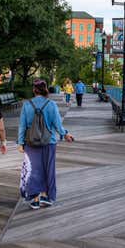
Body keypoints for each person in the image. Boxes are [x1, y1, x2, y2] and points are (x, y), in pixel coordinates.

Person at [18, 79, 74, 209]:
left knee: (34, 170)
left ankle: (35, 198)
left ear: (34, 90)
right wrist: (65, 134)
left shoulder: (27, 105)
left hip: (31, 142)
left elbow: (22, 126)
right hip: (49, 142)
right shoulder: (51, 104)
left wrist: (20, 143)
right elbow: (57, 124)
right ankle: (45, 196)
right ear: (45, 89)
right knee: (48, 169)